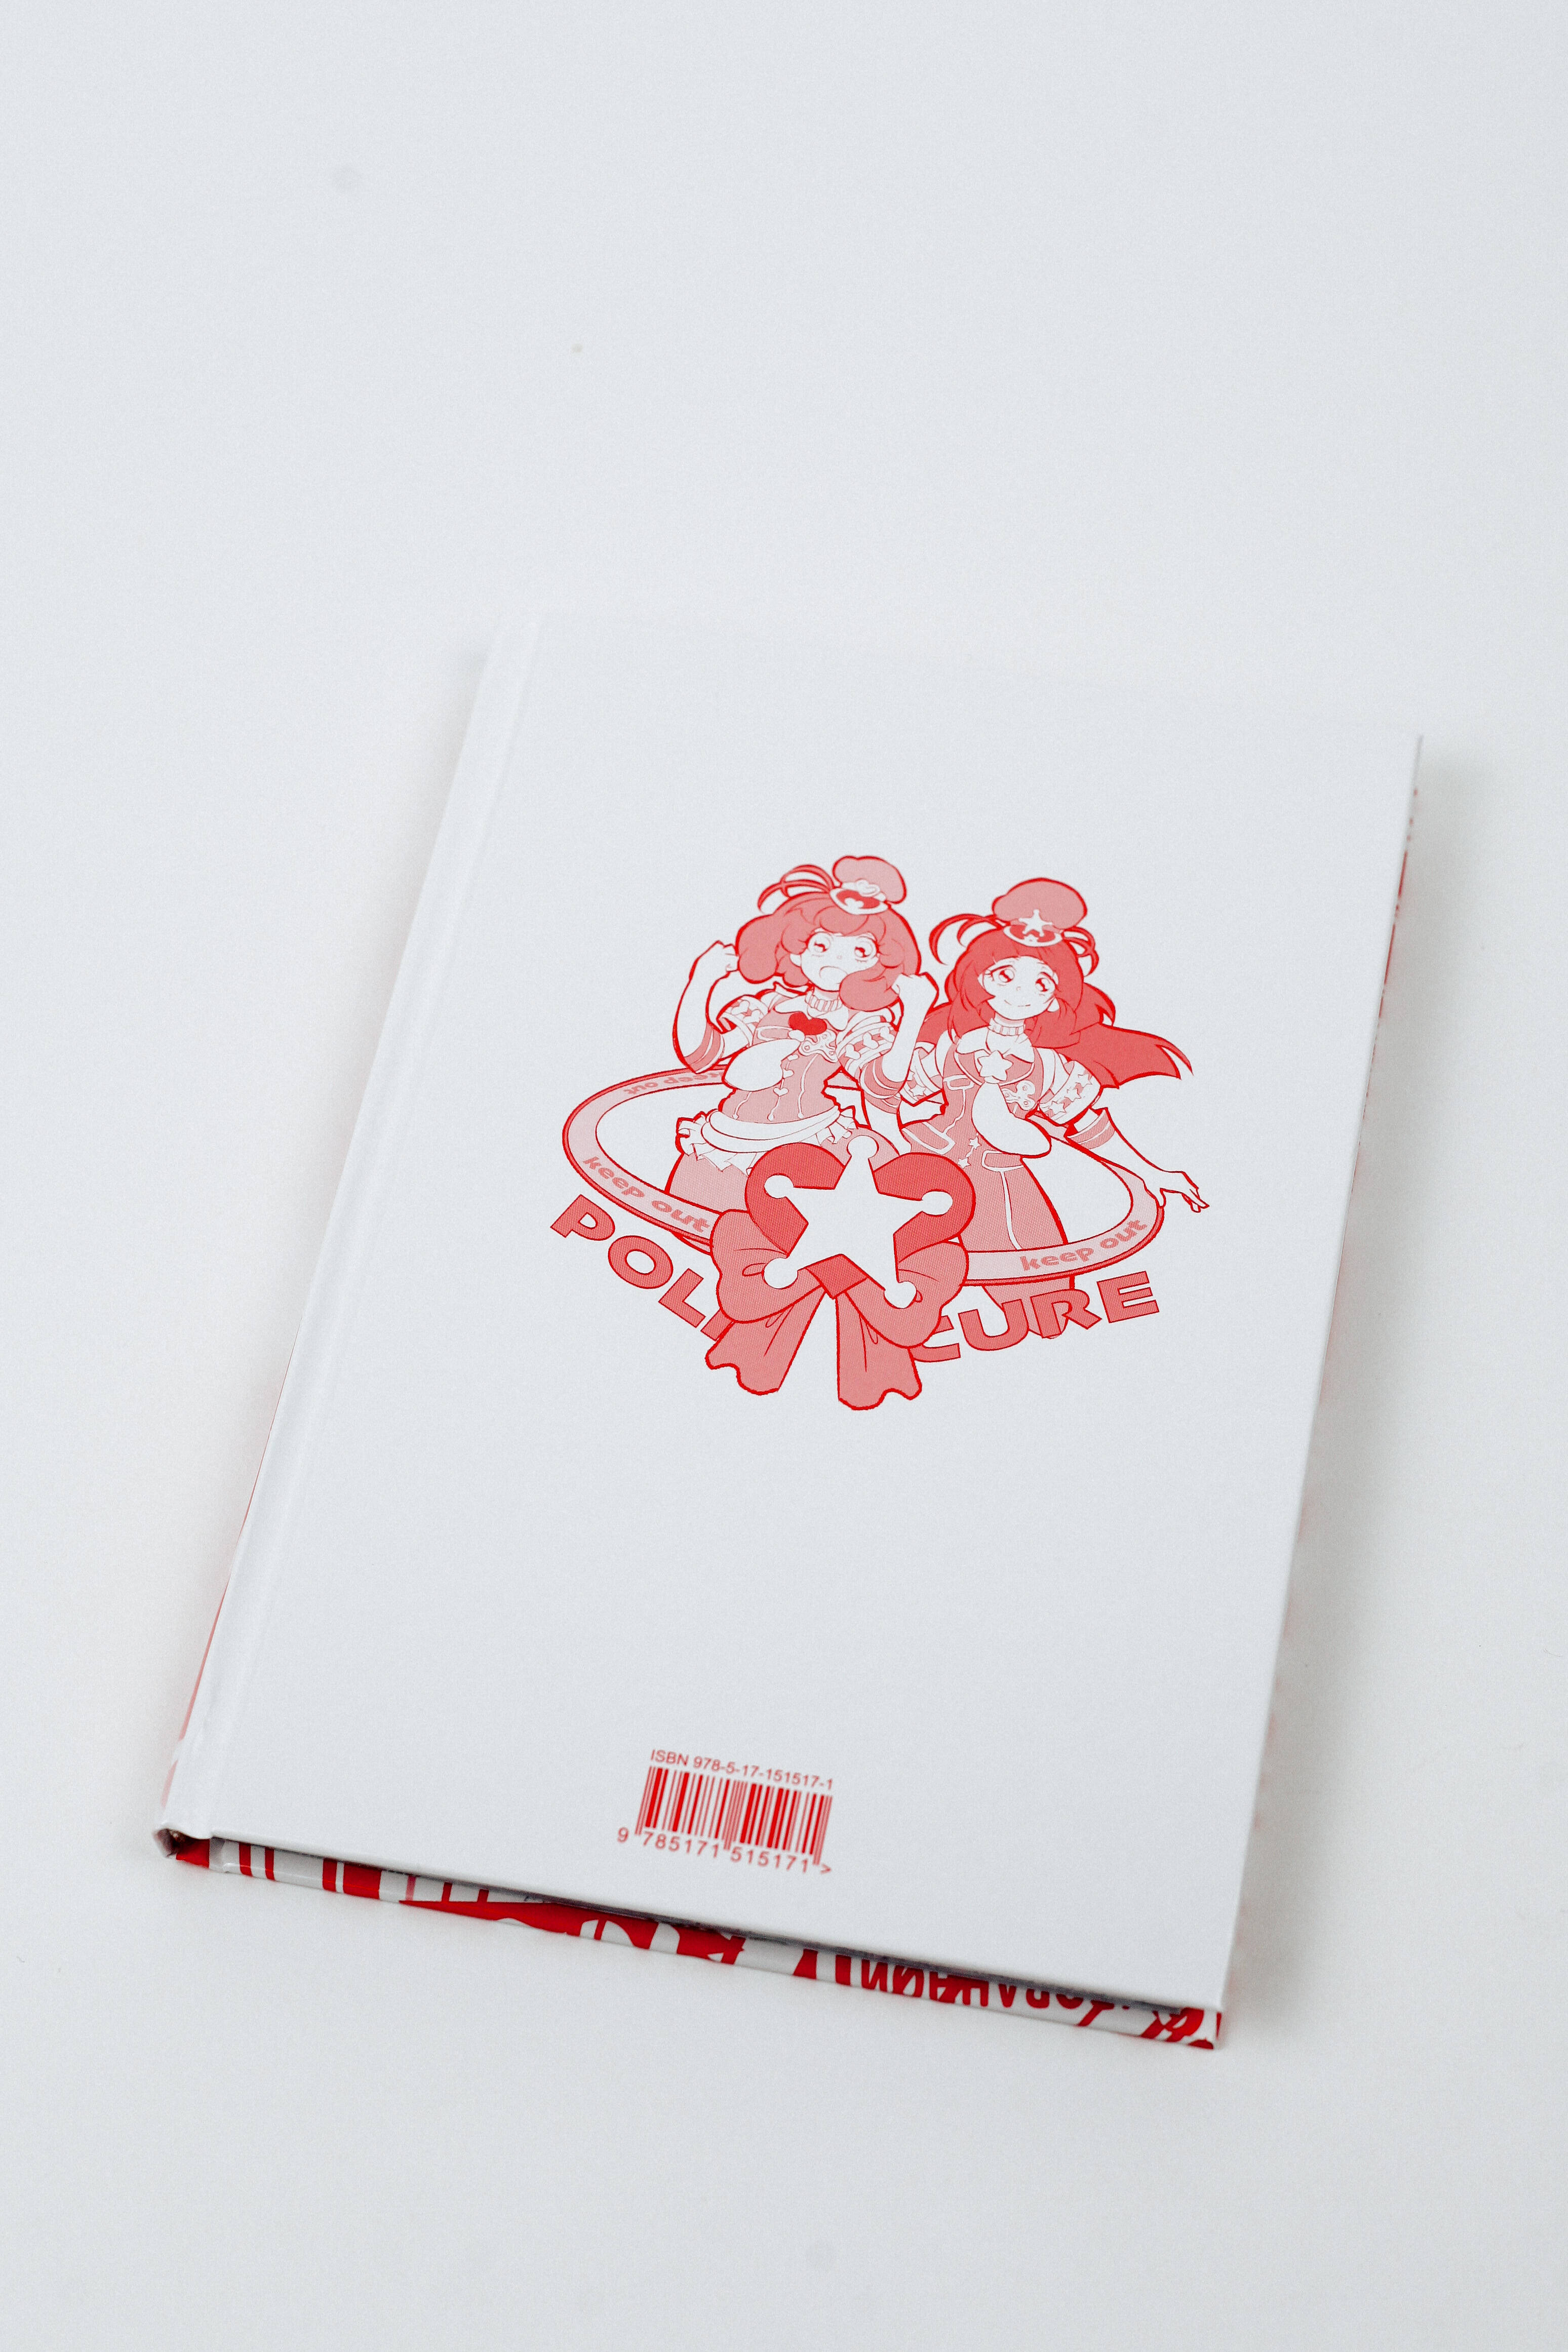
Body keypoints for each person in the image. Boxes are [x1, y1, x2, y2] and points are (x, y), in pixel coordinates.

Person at [861, 877, 1204, 1316]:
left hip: (1002, 1183)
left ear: (1055, 1001)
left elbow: (1088, 1126)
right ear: (978, 980)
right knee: (903, 1283)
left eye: (1042, 984)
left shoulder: (1051, 1067)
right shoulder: (949, 1049)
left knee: (1045, 1289)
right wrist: (891, 1148)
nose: (1020, 993)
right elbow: (886, 1094)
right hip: (929, 1170)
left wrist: (1151, 1172)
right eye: (1005, 976)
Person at [669, 856, 937, 1212]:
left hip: (813, 1140)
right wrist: (701, 980)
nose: (836, 960)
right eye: (821, 946)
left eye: (859, 951)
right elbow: (700, 1053)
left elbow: (882, 1083)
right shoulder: (767, 1005)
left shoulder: (858, 1023)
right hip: (731, 1136)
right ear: (797, 953)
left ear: (879, 965)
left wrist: (915, 1013)